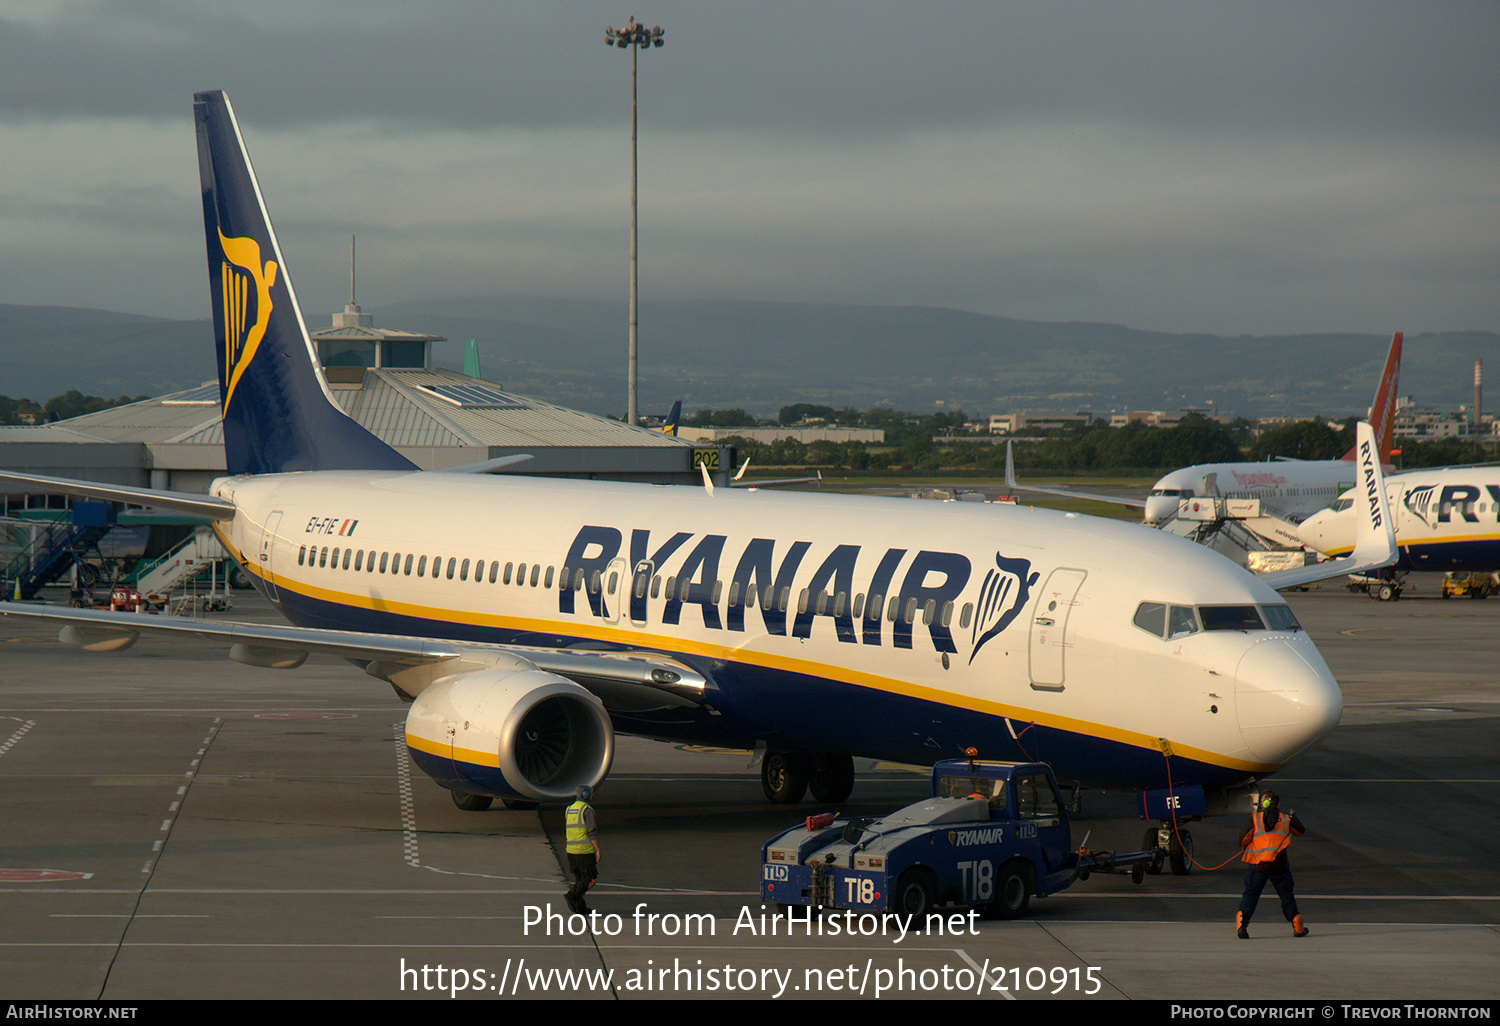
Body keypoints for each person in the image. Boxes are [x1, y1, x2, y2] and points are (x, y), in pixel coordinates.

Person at [1237, 789, 1308, 938]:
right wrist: (1293, 817)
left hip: (1258, 866)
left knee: (1251, 894)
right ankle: (1298, 926)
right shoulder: (1286, 819)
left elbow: (1242, 840)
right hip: (1279, 866)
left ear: (1264, 803)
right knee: (1287, 895)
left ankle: (1242, 925)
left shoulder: (1255, 819)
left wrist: (1249, 845)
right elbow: (1300, 831)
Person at [564, 785, 601, 914]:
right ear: (585, 795)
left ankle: (580, 907)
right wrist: (597, 849)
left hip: (571, 850)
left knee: (580, 879)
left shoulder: (569, 809)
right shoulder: (587, 810)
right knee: (591, 878)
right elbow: (591, 832)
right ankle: (573, 895)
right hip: (584, 851)